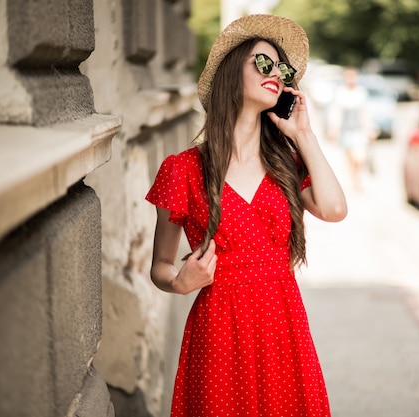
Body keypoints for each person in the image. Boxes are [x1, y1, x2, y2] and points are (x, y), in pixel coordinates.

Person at [145, 14, 347, 417]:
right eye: (263, 63)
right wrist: (180, 283)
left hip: (282, 325)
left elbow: (334, 209)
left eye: (283, 69)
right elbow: (161, 266)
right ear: (230, 74)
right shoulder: (181, 169)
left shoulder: (287, 162)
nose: (277, 74)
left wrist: (303, 135)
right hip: (219, 329)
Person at [327, 67, 375, 191]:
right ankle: (354, 181)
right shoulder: (340, 93)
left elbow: (365, 113)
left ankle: (356, 177)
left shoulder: (360, 92)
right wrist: (333, 129)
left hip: (359, 130)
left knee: (359, 157)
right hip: (345, 130)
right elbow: (335, 113)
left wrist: (370, 128)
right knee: (349, 157)